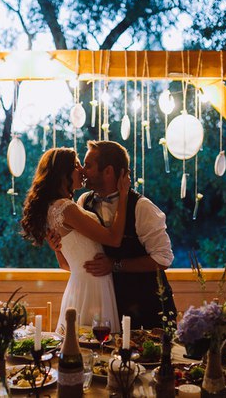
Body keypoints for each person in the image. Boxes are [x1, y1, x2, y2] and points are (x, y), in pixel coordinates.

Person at [21, 147, 130, 334]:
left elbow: (65, 265)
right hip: (92, 289)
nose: (82, 170)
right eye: (77, 165)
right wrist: (123, 196)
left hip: (82, 284)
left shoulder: (54, 207)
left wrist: (57, 249)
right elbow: (113, 239)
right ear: (63, 173)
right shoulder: (66, 208)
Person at [77, 140, 176, 330]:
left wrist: (115, 265)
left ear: (108, 171)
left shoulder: (142, 207)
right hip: (105, 307)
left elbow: (163, 259)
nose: (82, 170)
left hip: (147, 308)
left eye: (88, 165)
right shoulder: (83, 202)